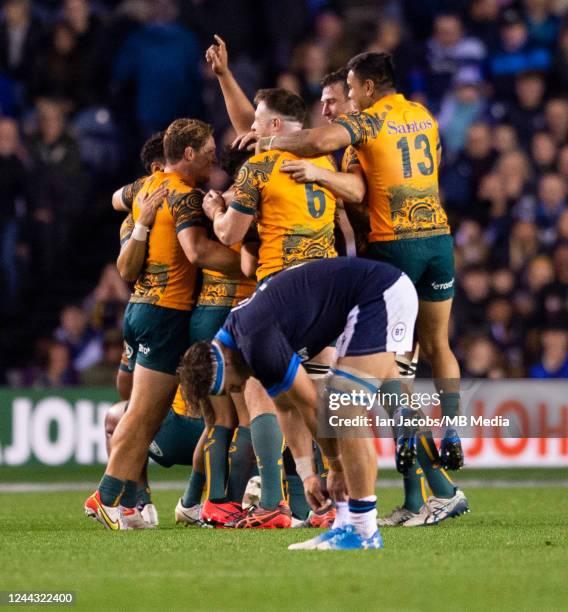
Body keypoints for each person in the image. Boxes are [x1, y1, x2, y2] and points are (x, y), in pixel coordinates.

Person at [244, 51, 468, 526]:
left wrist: (295, 155)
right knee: (408, 368)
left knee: (384, 381)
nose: (328, 108)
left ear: (361, 92)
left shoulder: (361, 131)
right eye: (324, 101)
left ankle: (428, 492)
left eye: (335, 98)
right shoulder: (420, 115)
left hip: (389, 257)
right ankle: (431, 481)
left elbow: (359, 190)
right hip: (429, 242)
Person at [179, 257, 419, 550]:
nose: (238, 389)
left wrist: (334, 466)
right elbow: (286, 406)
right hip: (366, 296)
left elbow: (311, 405)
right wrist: (307, 474)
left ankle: (364, 531)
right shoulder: (238, 340)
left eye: (231, 385)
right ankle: (346, 523)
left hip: (380, 293)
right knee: (339, 405)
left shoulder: (255, 341)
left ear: (224, 360)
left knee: (343, 407)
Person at [84, 118, 242, 530]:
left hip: (140, 307)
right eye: (207, 150)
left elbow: (116, 198)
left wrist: (143, 211)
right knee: (143, 413)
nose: (213, 157)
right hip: (167, 312)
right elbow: (197, 252)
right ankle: (105, 496)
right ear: (187, 154)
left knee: (143, 412)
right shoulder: (187, 197)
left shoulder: (145, 187)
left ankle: (131, 497)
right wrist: (252, 267)